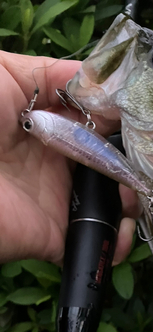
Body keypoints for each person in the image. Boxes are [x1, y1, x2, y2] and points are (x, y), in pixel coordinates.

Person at [0, 51, 142, 265]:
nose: (27, 120)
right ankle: (145, 189)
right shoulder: (44, 127)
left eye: (27, 124)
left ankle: (145, 189)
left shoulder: (41, 123)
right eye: (28, 125)